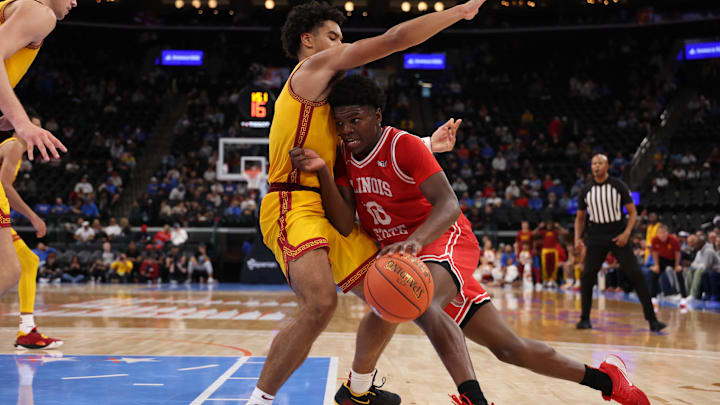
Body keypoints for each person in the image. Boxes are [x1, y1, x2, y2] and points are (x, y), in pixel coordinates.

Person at [291, 75, 652, 405]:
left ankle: (468, 399)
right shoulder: (342, 158)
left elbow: (449, 204)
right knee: (509, 348)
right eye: (340, 123)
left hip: (444, 239)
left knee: (417, 303)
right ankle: (608, 381)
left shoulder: (403, 145)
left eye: (356, 120)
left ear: (378, 115)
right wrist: (323, 172)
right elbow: (341, 223)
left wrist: (416, 242)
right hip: (410, 257)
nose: (347, 130)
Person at [252, 1, 487, 404]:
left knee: (394, 288)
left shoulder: (329, 105)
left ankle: (358, 391)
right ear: (307, 41)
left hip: (328, 207)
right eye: (333, 37)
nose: (341, 45)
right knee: (321, 304)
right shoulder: (310, 72)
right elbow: (395, 39)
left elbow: (360, 157)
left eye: (341, 39)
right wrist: (457, 13)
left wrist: (427, 145)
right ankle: (258, 401)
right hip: (294, 203)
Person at [0, 0, 75, 300]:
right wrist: (22, 123)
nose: (74, 2)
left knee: (15, 266)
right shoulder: (40, 12)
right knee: (8, 269)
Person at [575, 154, 666, 332]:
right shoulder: (585, 190)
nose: (596, 166)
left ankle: (652, 320)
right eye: (593, 163)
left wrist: (626, 233)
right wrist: (577, 238)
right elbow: (580, 218)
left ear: (607, 166)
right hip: (595, 235)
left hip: (618, 233)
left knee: (636, 274)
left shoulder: (618, 186)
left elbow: (633, 213)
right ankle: (584, 318)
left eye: (600, 163)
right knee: (587, 276)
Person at [0, 109, 62, 348]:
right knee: (16, 268)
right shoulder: (15, 145)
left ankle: (27, 328)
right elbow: (4, 186)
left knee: (28, 262)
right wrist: (33, 217)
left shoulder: (15, 147)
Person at [650, 225, 685, 307]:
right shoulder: (654, 240)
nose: (662, 235)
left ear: (667, 233)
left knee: (679, 272)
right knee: (655, 272)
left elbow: (677, 253)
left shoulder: (674, 240)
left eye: (664, 233)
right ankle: (653, 297)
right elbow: (654, 252)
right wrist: (656, 265)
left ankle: (684, 298)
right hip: (662, 258)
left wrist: (677, 265)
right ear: (657, 234)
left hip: (673, 258)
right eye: (660, 233)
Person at [534, 220, 567, 288]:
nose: (549, 226)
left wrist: (559, 226)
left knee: (553, 266)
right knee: (545, 266)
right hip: (545, 251)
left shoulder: (555, 232)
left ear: (552, 225)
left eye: (550, 224)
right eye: (548, 224)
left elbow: (565, 233)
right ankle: (545, 280)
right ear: (546, 225)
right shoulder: (543, 232)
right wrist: (539, 227)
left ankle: (553, 280)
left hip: (553, 250)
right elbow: (533, 233)